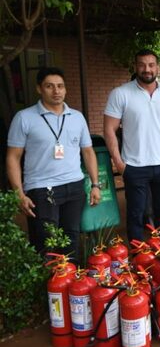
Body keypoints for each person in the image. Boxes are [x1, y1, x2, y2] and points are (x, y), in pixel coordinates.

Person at [6, 67, 101, 263]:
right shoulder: (24, 118)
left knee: (72, 239)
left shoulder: (77, 117)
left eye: (60, 86)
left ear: (65, 89)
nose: (56, 91)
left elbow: (88, 152)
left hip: (74, 186)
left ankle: (71, 287)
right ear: (39, 89)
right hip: (41, 189)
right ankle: (48, 290)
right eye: (50, 86)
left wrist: (95, 184)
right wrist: (19, 194)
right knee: (45, 243)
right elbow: (13, 157)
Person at [104, 49, 160, 242]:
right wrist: (118, 161)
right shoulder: (121, 94)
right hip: (134, 165)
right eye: (142, 65)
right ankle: (139, 255)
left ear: (158, 67)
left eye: (151, 65)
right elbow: (109, 129)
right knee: (135, 213)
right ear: (136, 67)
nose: (146, 69)